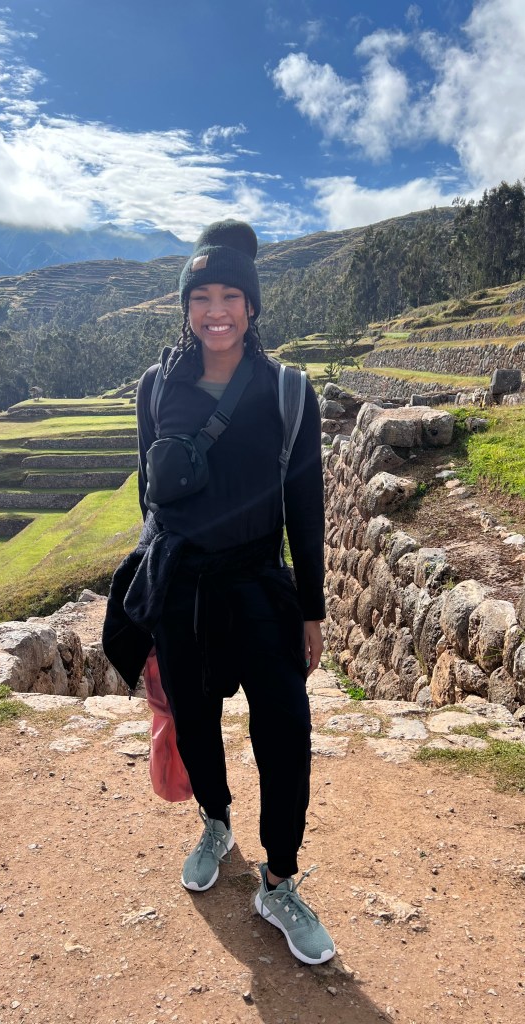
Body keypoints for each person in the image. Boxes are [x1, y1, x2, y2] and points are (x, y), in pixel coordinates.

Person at [102, 219, 334, 965]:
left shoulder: (288, 392)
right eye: (202, 296)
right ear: (185, 306)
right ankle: (215, 820)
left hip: (260, 587)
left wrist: (312, 606)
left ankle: (281, 879)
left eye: (231, 294)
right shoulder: (155, 387)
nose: (216, 310)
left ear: (253, 305)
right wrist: (143, 597)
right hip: (182, 590)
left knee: (286, 737)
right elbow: (151, 498)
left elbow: (306, 509)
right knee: (196, 722)